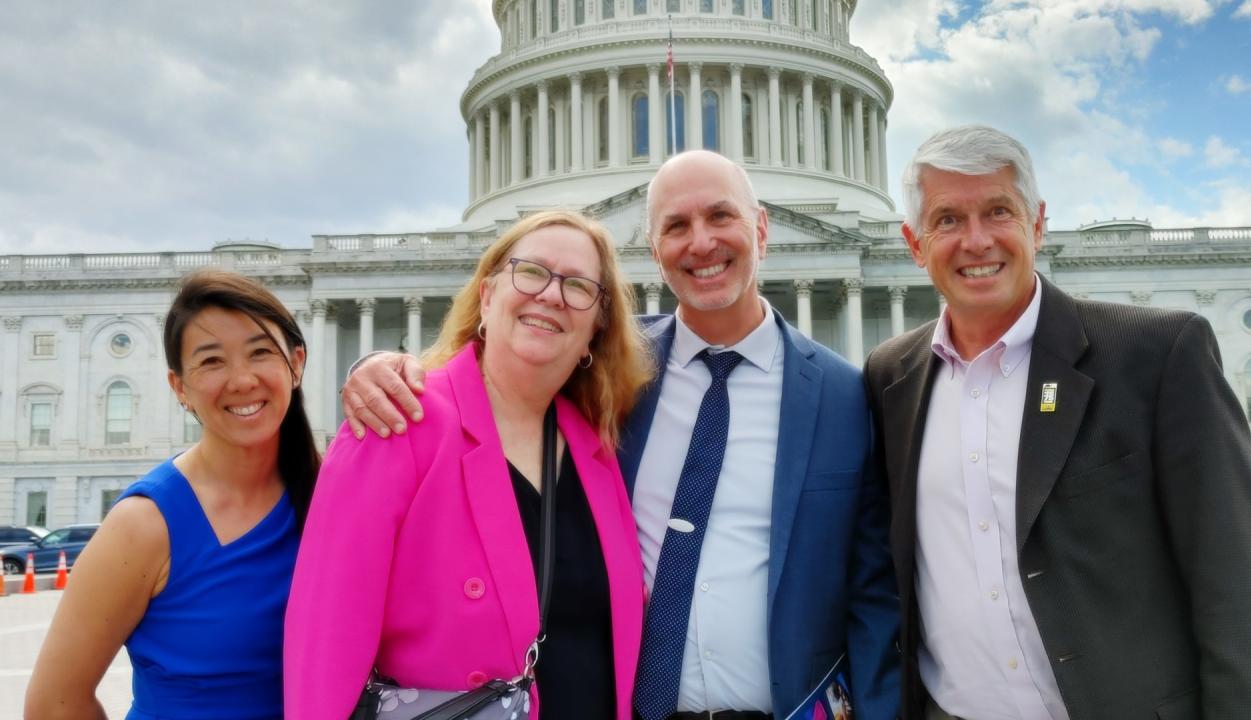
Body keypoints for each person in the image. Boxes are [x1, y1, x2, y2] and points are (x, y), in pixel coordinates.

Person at [341, 151, 901, 720]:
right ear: (654, 252)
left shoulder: (842, 393)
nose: (701, 243)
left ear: (761, 228)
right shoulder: (608, 377)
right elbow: (502, 375)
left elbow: (873, 590)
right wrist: (385, 368)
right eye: (676, 226)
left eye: (721, 217)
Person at [862, 124, 1251, 720]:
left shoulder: (1155, 354)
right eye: (948, 219)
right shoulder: (889, 378)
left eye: (998, 211)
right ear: (914, 243)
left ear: (1037, 223)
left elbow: (1240, 582)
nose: (975, 241)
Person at [283, 210, 651, 719]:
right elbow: (326, 637)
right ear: (486, 295)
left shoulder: (599, 450)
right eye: (532, 271)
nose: (550, 294)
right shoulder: (398, 420)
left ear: (595, 330)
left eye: (578, 286)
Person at [25, 269, 320, 720]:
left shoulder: (331, 494)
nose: (242, 380)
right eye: (212, 361)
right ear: (179, 387)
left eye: (260, 352)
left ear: (295, 363)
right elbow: (53, 704)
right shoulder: (144, 525)